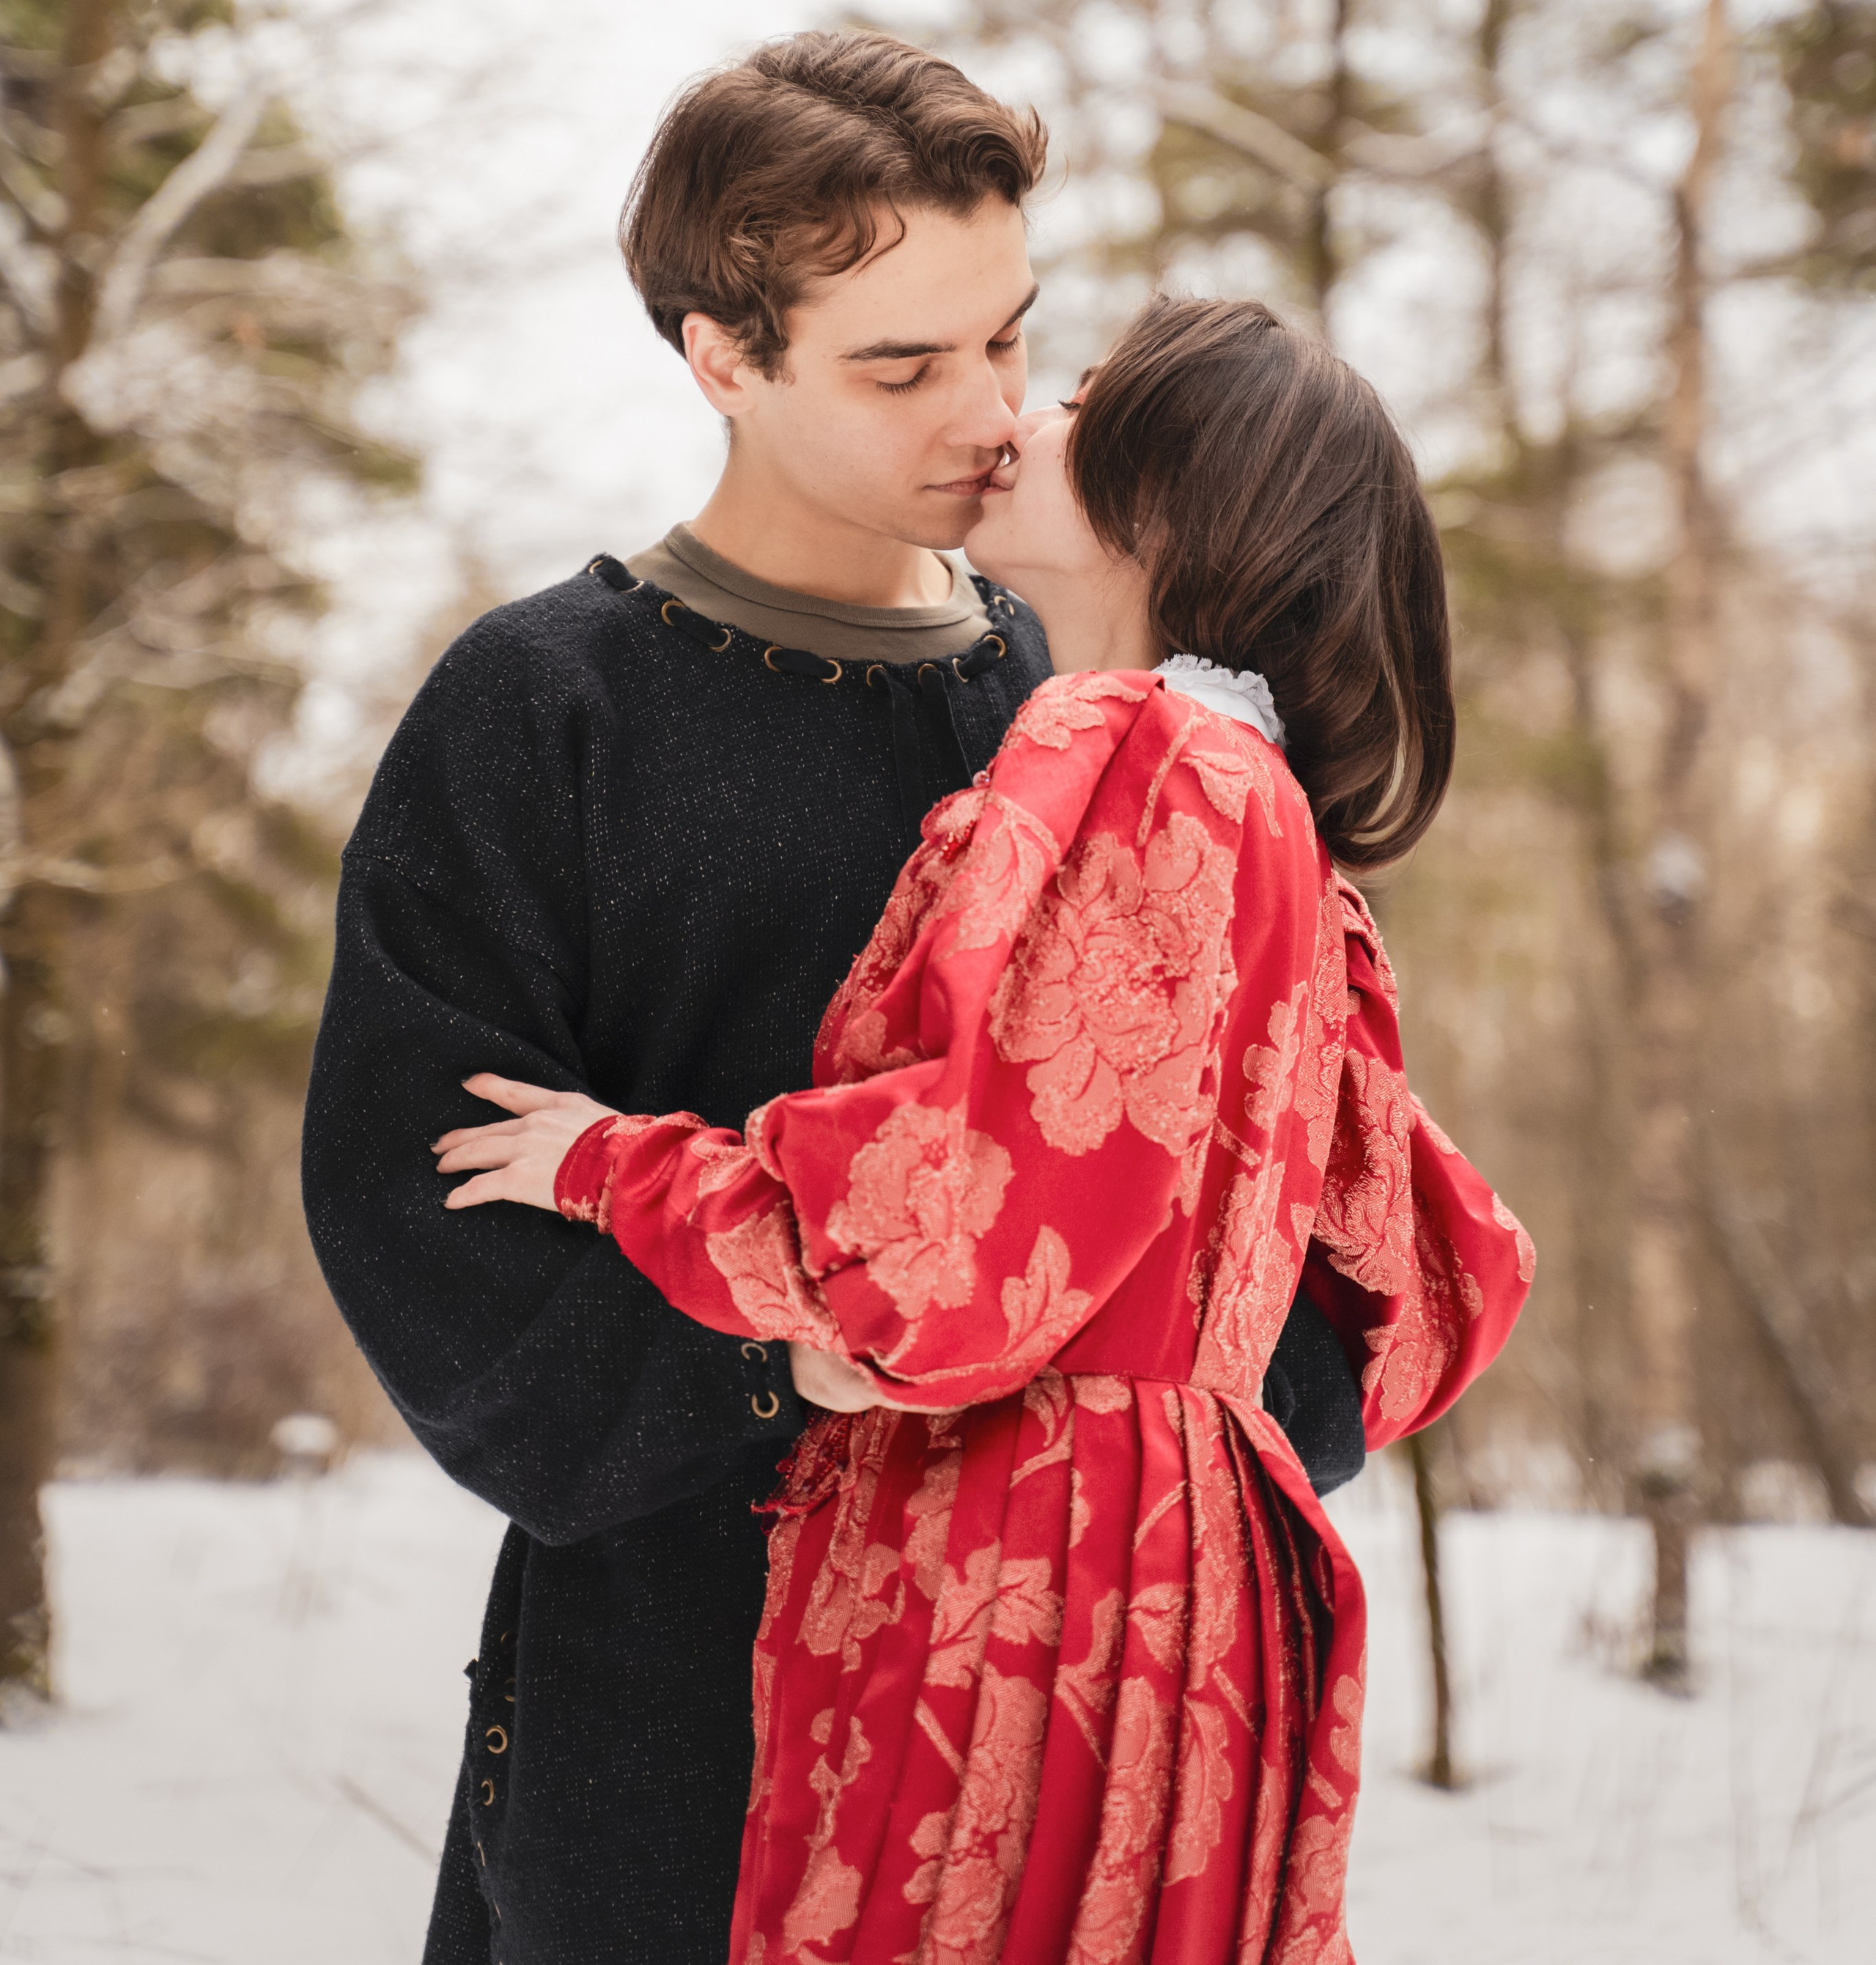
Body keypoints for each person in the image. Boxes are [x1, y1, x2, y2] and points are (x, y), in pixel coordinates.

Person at [301, 37, 1365, 1965]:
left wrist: (1160, 1461)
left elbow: (1294, 1192)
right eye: (902, 367)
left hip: (1059, 1738)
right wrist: (776, 1357)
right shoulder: (548, 708)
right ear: (725, 355)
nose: (989, 413)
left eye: (1008, 342)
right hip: (671, 1718)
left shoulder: (1128, 718)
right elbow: (417, 1197)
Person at [436, 294, 1535, 1965]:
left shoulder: (1130, 748)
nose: (1022, 414)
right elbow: (1426, 1264)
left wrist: (616, 1165)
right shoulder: (1276, 822)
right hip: (1193, 1585)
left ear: (1173, 499)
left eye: (1084, 396)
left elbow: (954, 1245)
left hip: (1024, 1555)